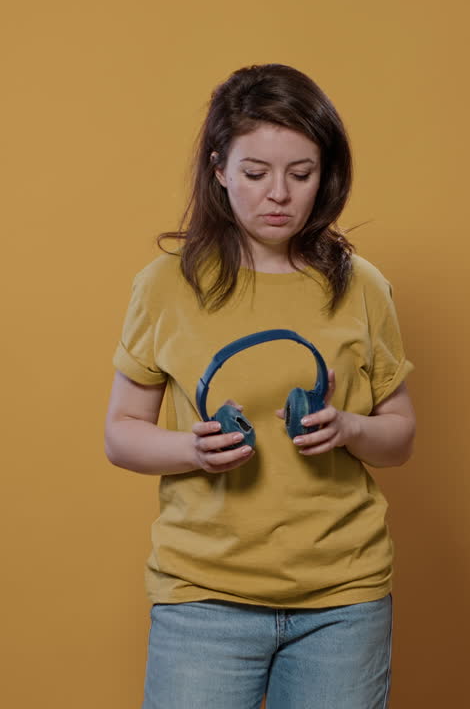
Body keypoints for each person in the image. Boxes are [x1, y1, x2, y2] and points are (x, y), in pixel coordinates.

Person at [103, 63, 417, 709]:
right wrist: (192, 449)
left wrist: (350, 428)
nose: (279, 194)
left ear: (325, 175)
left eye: (301, 174)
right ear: (219, 169)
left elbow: (400, 436)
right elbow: (120, 433)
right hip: (204, 598)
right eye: (255, 173)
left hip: (344, 600)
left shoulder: (363, 286)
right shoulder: (164, 286)